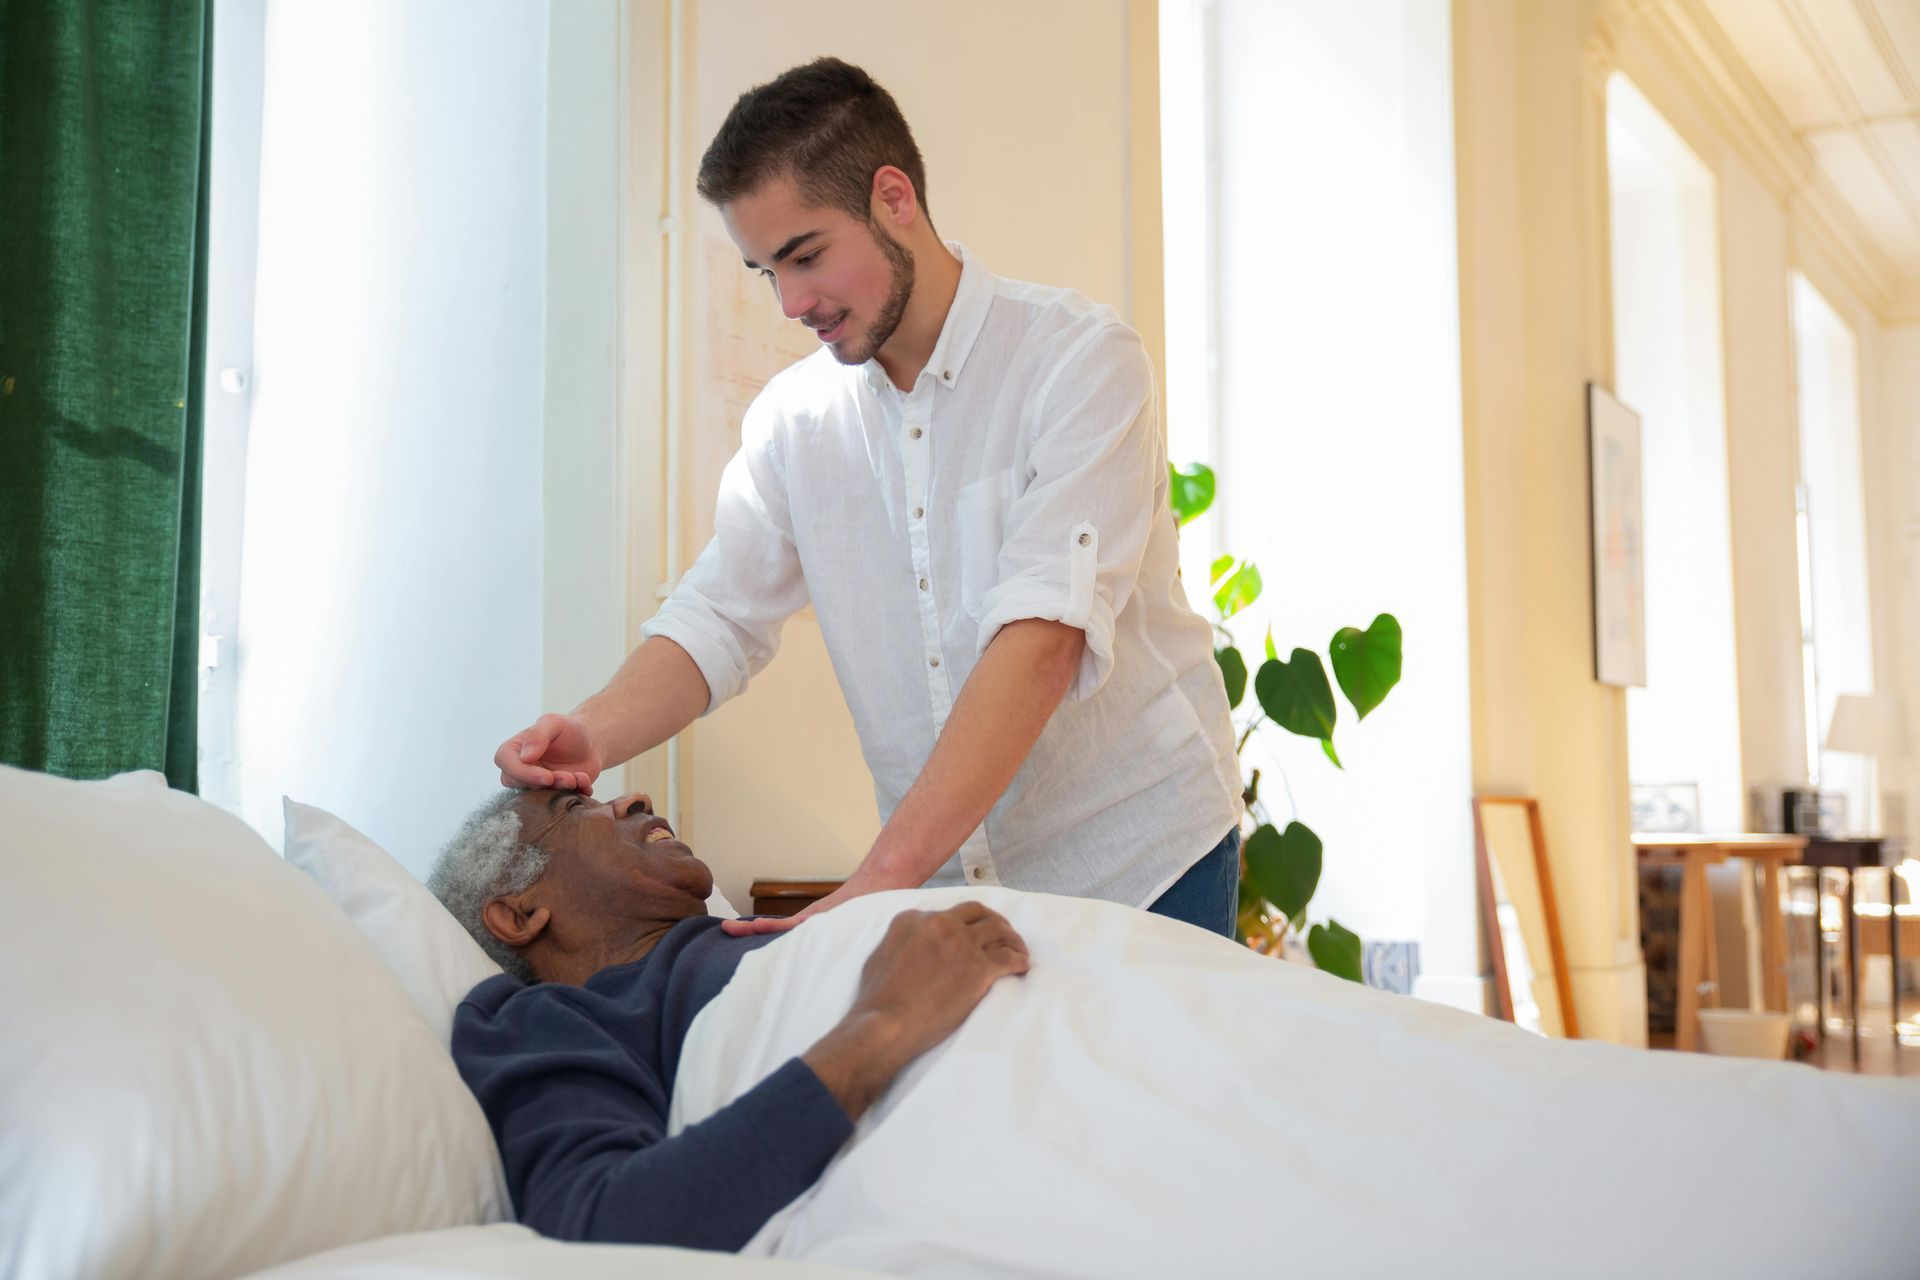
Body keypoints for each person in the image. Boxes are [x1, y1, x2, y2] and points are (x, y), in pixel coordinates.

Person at [492, 57, 1242, 937]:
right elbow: (718, 616)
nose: (791, 302)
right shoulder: (793, 424)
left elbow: (1042, 640)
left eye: (806, 256)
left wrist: (879, 880)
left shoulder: (1079, 362)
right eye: (765, 270)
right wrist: (595, 734)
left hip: (1139, 854)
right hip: (949, 877)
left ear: (895, 198)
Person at [428, 786, 1028, 1250]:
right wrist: (882, 1026)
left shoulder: (757, 940)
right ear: (522, 912)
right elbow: (601, 1228)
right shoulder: (546, 1018)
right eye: (573, 806)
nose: (637, 798)